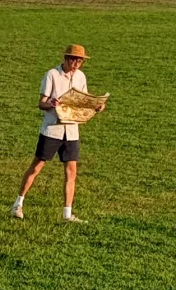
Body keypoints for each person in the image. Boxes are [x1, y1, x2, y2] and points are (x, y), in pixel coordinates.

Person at [11, 44, 105, 223]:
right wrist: (53, 104)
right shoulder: (52, 75)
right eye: (73, 59)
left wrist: (97, 106)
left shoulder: (81, 77)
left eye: (79, 60)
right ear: (66, 59)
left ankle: (67, 214)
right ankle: (18, 204)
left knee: (71, 171)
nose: (76, 63)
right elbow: (41, 103)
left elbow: (83, 100)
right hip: (52, 129)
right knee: (37, 167)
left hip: (71, 131)